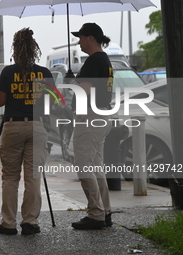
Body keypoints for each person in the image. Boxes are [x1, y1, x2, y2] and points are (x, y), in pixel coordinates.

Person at [0, 28, 54, 235]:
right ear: (33, 49)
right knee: (33, 176)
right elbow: (49, 104)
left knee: (10, 177)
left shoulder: (9, 72)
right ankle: (30, 222)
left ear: (15, 48)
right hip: (38, 126)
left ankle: (8, 223)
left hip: (13, 125)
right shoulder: (44, 73)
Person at [69, 23, 114, 230]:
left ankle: (96, 214)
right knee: (96, 166)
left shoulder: (94, 60)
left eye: (81, 37)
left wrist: (72, 83)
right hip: (101, 115)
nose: (78, 42)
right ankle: (104, 211)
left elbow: (83, 91)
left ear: (91, 38)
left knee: (84, 164)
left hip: (90, 116)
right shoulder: (104, 59)